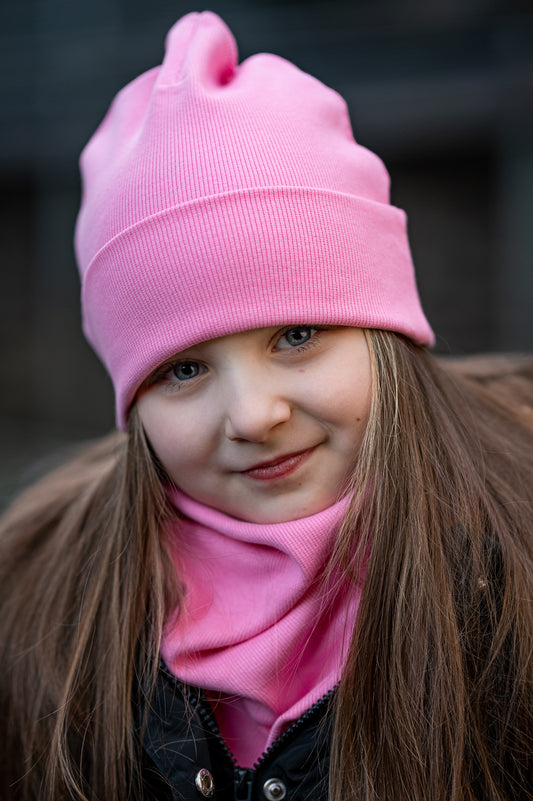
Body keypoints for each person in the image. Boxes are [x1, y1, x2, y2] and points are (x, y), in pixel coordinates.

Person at [0, 11, 532, 801]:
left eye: (298, 333)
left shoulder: (512, 561)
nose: (252, 414)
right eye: (182, 368)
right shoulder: (40, 612)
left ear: (385, 331)